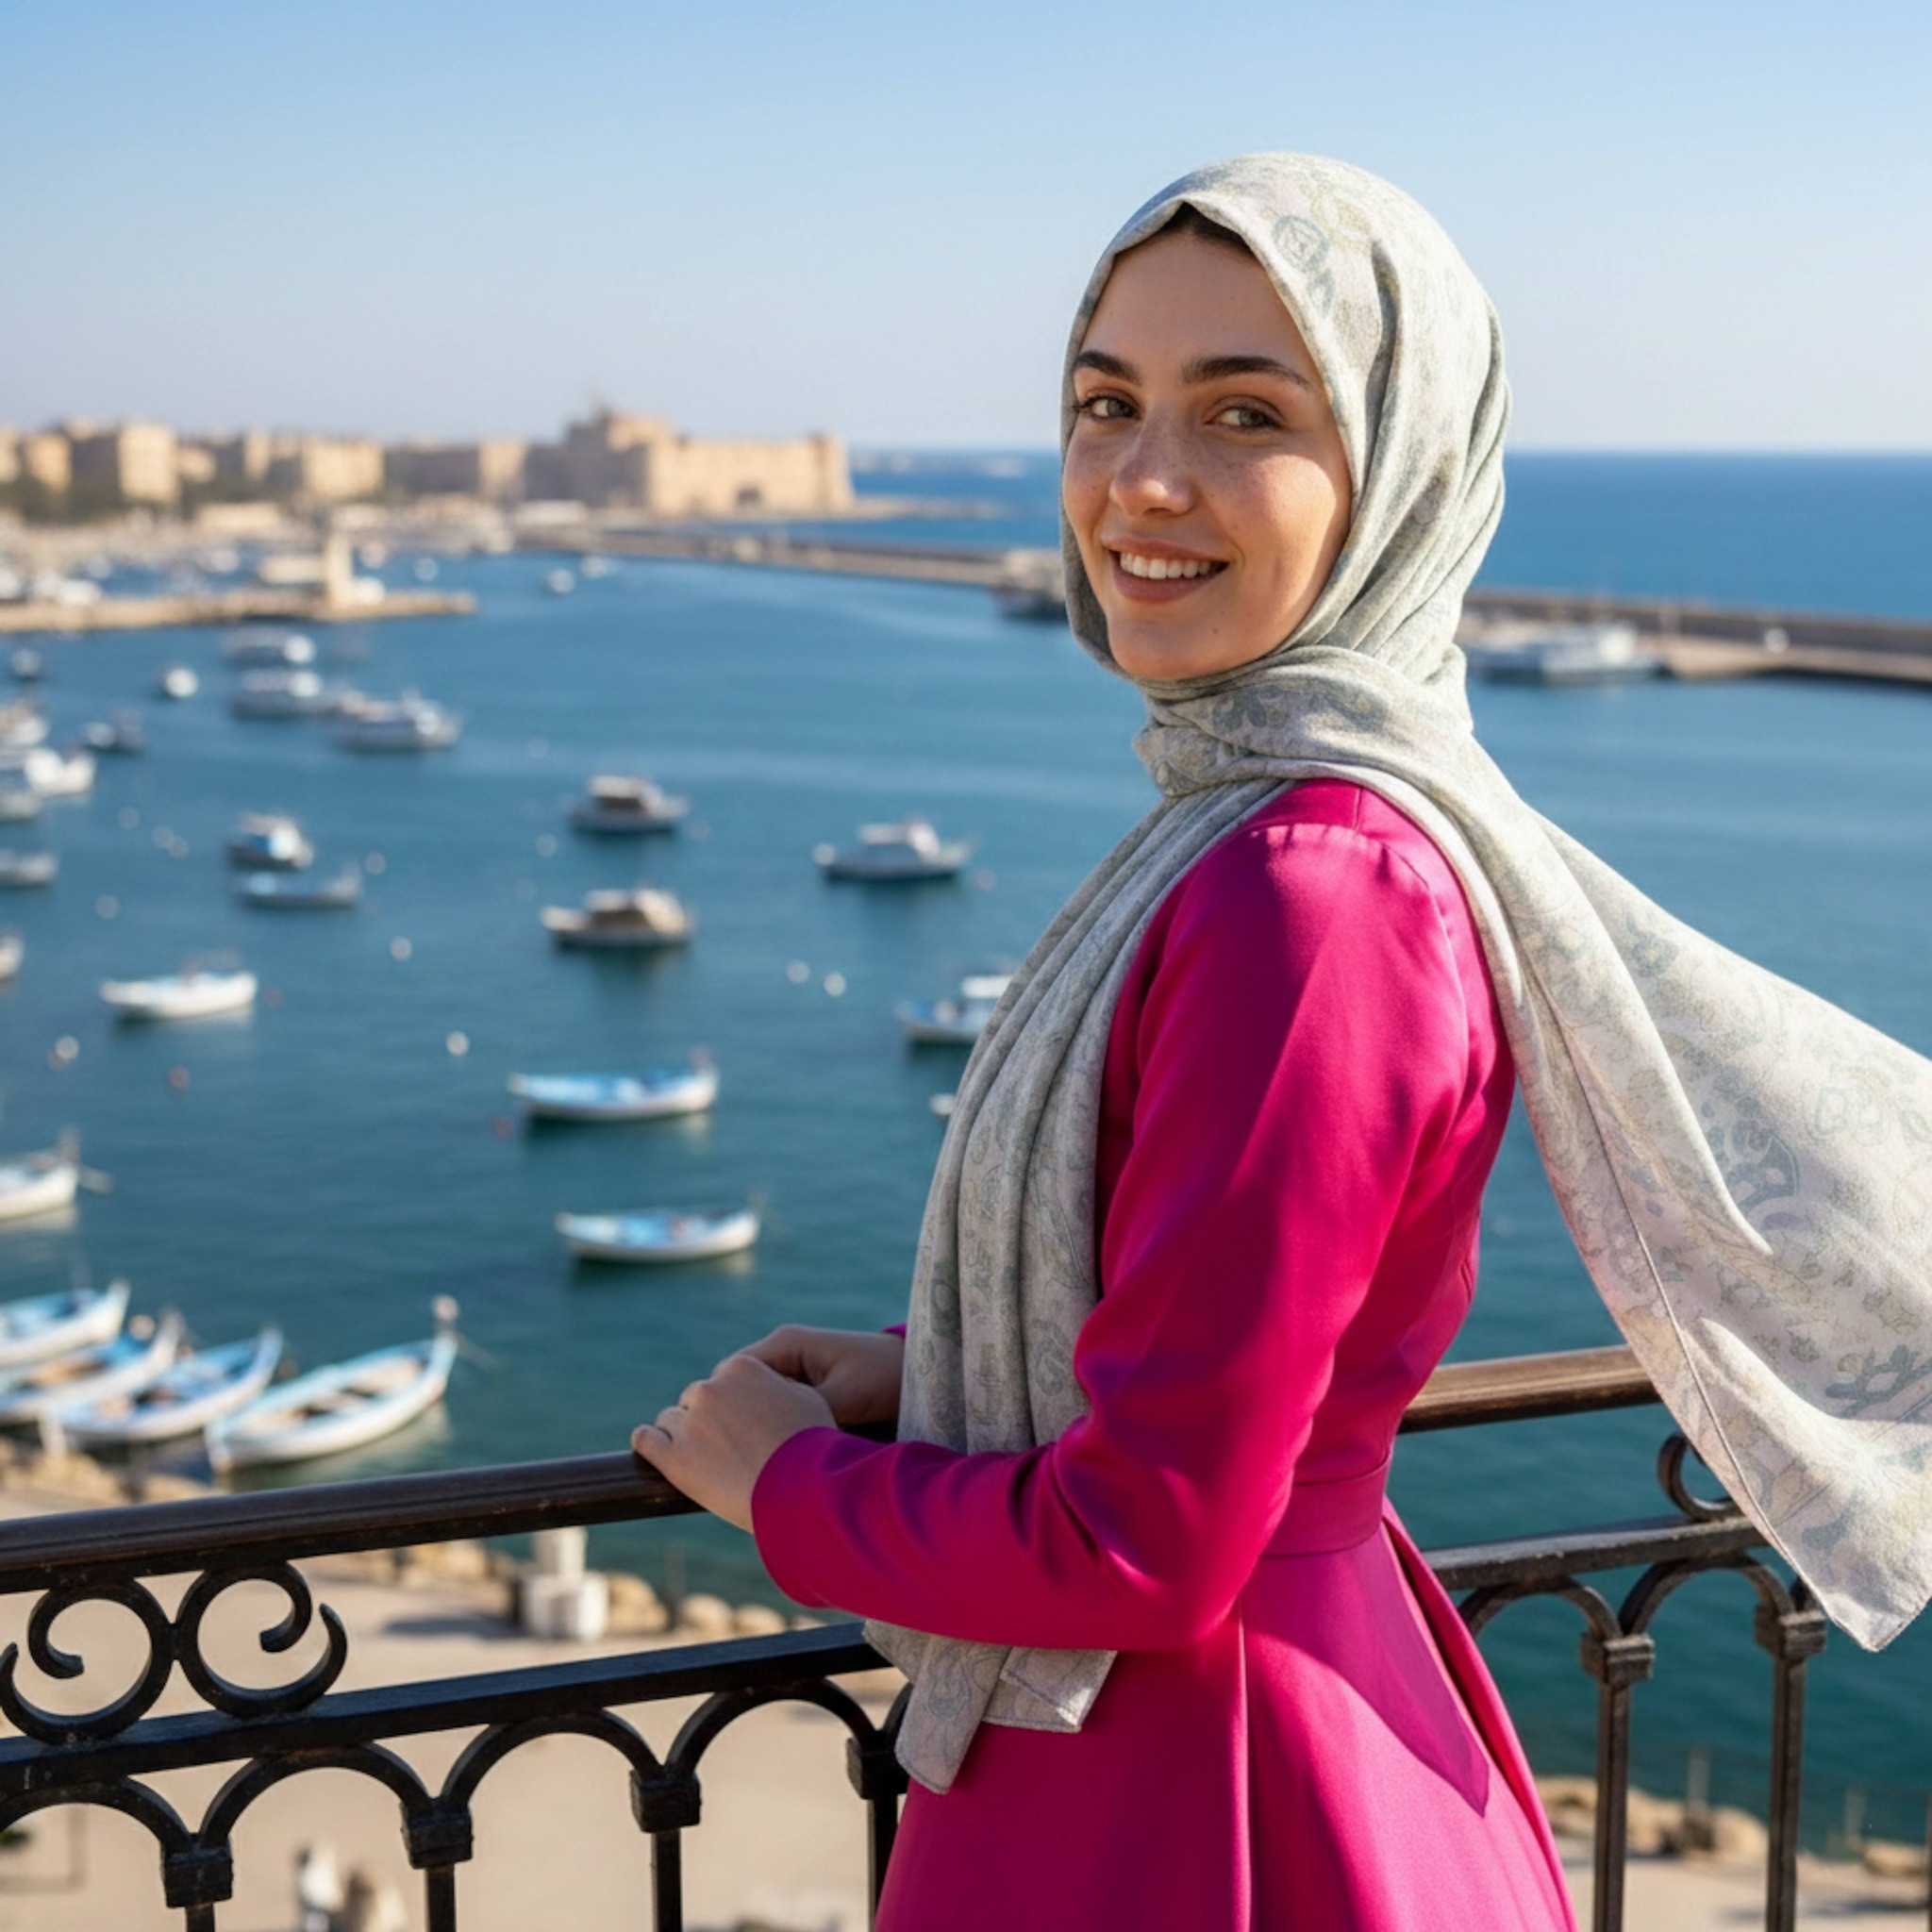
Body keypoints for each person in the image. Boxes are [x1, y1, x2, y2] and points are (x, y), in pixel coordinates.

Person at [632, 154, 1932, 1930]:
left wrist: (790, 1486)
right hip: (1274, 1722)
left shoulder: (1308, 888)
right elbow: (1234, 1353)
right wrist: (932, 1367)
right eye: (1106, 402)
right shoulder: (1273, 823)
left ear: (1397, 475)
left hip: (1195, 1798)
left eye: (1246, 411)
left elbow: (1146, 1541)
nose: (1142, 480)